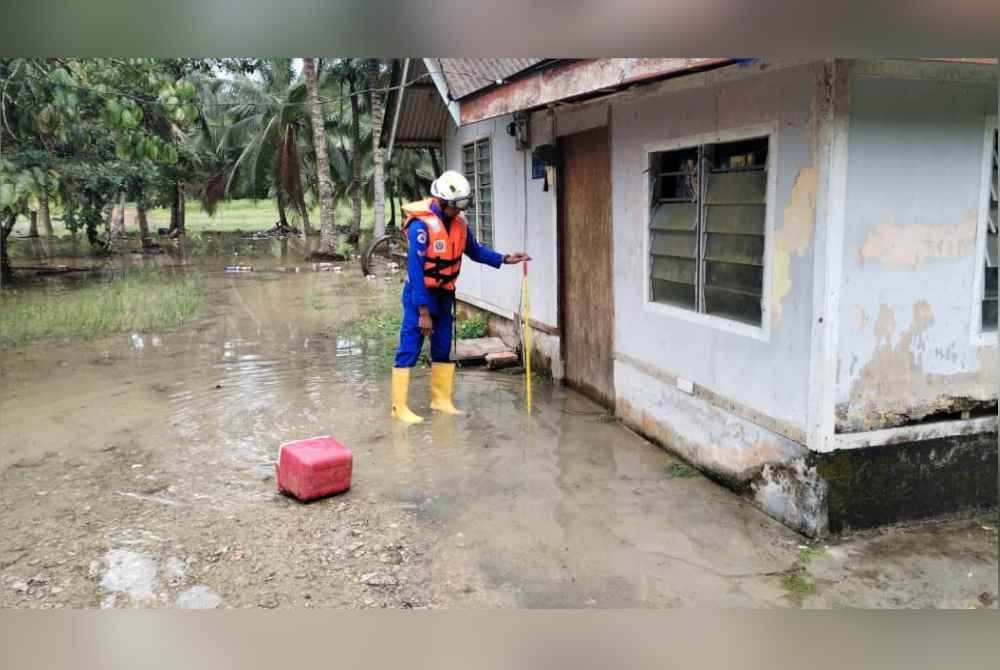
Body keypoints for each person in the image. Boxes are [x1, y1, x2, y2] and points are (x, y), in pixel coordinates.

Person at [391, 170, 530, 423]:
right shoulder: (420, 227)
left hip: (445, 295)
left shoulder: (459, 226)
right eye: (458, 205)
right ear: (443, 202)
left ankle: (441, 401)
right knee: (410, 347)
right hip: (420, 295)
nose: (461, 210)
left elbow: (476, 252)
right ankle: (399, 408)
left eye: (465, 204)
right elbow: (415, 269)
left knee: (443, 347)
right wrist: (422, 311)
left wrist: (505, 259)